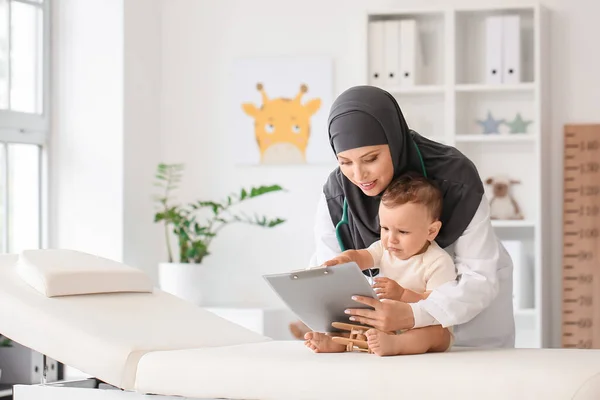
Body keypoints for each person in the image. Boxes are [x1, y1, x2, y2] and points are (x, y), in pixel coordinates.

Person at [296, 85, 515, 349]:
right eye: (345, 162)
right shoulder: (337, 192)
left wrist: (413, 315)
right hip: (383, 335)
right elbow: (329, 266)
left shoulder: (456, 178)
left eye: (371, 158)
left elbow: (477, 277)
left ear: (394, 141)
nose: (359, 174)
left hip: (469, 324)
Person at [305, 174, 457, 356]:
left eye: (402, 231)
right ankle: (340, 341)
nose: (391, 239)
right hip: (385, 322)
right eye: (385, 229)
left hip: (423, 325)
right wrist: (343, 260)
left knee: (434, 335)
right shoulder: (384, 249)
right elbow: (361, 256)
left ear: (431, 231)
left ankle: (396, 345)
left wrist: (403, 294)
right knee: (357, 319)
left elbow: (440, 304)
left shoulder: (438, 262)